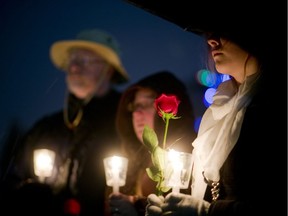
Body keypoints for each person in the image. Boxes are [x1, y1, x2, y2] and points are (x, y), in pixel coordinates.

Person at [122, 1, 287, 216]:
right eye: (209, 32)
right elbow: (202, 192)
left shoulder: (273, 108)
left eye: (223, 31)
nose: (211, 40)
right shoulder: (219, 109)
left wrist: (206, 212)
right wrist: (148, 207)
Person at [1, 28, 129, 216]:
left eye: (85, 60)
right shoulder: (46, 127)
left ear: (108, 70)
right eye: (72, 61)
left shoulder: (127, 124)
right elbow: (11, 179)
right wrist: (26, 195)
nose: (75, 67)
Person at [107, 71, 197, 216]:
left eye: (148, 103)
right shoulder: (129, 166)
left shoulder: (194, 163)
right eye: (135, 106)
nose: (137, 113)